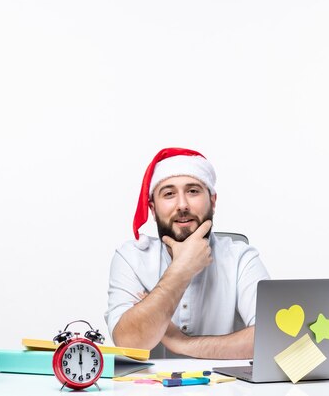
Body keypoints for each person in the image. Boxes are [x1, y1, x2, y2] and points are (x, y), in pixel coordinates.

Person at [105, 148, 269, 359]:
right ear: (153, 210)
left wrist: (182, 343)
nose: (182, 205)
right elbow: (129, 342)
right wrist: (182, 269)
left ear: (213, 201)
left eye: (193, 191)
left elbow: (270, 340)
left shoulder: (241, 258)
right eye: (169, 194)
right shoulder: (131, 258)